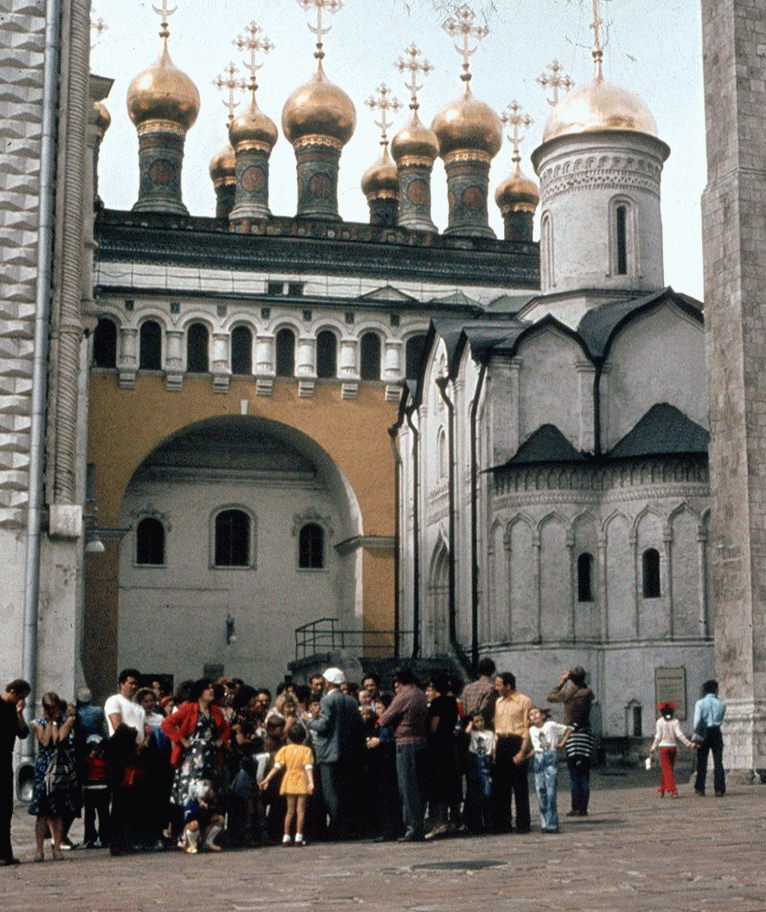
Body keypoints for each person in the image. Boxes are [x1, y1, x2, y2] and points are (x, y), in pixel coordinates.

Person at [306, 667, 365, 840]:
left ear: (329, 682)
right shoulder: (351, 701)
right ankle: (346, 827)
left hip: (329, 754)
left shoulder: (326, 701)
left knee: (331, 793)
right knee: (346, 791)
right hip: (348, 753)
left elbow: (323, 726)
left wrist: (308, 721)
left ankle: (336, 828)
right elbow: (357, 726)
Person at [161, 678, 231, 814]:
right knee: (189, 791)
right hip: (191, 757)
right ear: (200, 692)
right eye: (207, 688)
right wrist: (181, 739)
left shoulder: (216, 711)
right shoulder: (188, 709)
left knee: (209, 792)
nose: (211, 690)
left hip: (211, 758)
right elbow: (166, 724)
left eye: (212, 688)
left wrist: (222, 740)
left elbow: (227, 728)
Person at [378, 666, 428, 842]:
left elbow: (384, 719)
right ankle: (418, 825)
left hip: (406, 743)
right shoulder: (420, 694)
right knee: (418, 787)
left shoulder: (404, 695)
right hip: (421, 740)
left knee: (407, 787)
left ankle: (412, 828)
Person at [28, 692, 78, 861]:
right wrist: (50, 722)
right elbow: (46, 741)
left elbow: (59, 739)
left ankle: (57, 847)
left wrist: (60, 721)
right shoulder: (38, 723)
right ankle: (39, 849)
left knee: (59, 811)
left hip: (61, 770)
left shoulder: (67, 720)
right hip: (44, 770)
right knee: (42, 812)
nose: (51, 711)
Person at [547, 665, 595, 817]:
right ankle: (583, 807)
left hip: (571, 735)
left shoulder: (567, 693)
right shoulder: (588, 693)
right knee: (584, 774)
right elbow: (588, 691)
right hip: (585, 735)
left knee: (574, 774)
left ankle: (575, 807)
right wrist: (577, 680)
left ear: (571, 679)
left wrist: (562, 681)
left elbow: (551, 696)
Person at [259, 722, 314, 847]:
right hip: (301, 780)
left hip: (289, 780)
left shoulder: (284, 750)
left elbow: (276, 767)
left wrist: (266, 779)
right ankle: (299, 836)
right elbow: (308, 767)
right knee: (300, 811)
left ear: (289, 737)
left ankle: (286, 836)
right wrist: (311, 781)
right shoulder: (306, 751)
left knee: (289, 811)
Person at [492, 672, 532, 834]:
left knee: (520, 786)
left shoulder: (524, 701)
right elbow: (497, 727)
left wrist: (523, 751)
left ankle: (523, 823)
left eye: (499, 684)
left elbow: (527, 728)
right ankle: (502, 823)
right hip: (502, 742)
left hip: (517, 742)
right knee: (501, 786)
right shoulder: (498, 702)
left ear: (508, 686)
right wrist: (495, 750)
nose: (496, 688)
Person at [423, 672, 460, 840]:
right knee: (449, 784)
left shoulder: (438, 703)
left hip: (437, 747)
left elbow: (433, 727)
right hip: (449, 745)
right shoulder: (452, 702)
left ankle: (441, 822)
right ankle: (452, 820)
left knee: (439, 785)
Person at [1, 678, 30, 866]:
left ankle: (5, 853)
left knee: (5, 809)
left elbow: (23, 733)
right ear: (12, 691)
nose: (21, 700)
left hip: (5, 759)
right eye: (20, 697)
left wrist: (20, 713)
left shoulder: (13, 710)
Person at [527, 707, 570, 833]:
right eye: (530, 715)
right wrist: (527, 756)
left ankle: (552, 824)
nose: (533, 716)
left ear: (543, 715)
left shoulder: (550, 725)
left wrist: (562, 743)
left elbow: (568, 729)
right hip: (538, 759)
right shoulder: (531, 730)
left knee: (551, 792)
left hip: (550, 756)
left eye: (535, 713)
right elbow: (536, 747)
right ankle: (544, 823)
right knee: (541, 791)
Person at [649, 701, 695, 798]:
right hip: (672, 747)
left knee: (667, 769)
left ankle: (673, 790)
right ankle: (662, 788)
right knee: (668, 769)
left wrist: (653, 747)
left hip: (663, 747)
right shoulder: (675, 721)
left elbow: (658, 736)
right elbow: (679, 735)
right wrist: (689, 744)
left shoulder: (660, 722)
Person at [693, 679, 727, 797]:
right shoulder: (722, 704)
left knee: (702, 760)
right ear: (715, 690)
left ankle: (700, 787)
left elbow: (697, 721)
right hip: (716, 732)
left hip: (704, 731)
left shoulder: (700, 703)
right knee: (718, 761)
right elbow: (721, 719)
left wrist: (696, 733)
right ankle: (719, 788)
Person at [463, 711, 494, 834]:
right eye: (477, 721)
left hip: (485, 761)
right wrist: (470, 723)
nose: (480, 723)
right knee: (474, 794)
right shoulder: (473, 734)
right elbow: (466, 733)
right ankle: (476, 824)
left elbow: (492, 748)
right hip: (474, 760)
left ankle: (488, 822)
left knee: (487, 793)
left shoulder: (489, 733)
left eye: (481, 720)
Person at [178, 779, 225, 854]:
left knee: (220, 819)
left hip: (202, 827)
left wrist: (210, 813)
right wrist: (199, 808)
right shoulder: (191, 801)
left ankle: (208, 842)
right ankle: (191, 845)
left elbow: (213, 814)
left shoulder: (211, 801)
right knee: (194, 824)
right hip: (188, 829)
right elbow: (186, 817)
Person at [81, 735, 110, 848]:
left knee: (103, 815)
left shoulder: (104, 760)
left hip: (101, 787)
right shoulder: (87, 760)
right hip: (91, 788)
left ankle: (104, 837)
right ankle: (90, 837)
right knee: (90, 815)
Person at [460, 657, 496, 727]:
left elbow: (462, 708)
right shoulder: (491, 688)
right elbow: (485, 711)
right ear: (492, 671)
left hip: (467, 726)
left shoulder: (467, 688)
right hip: (482, 727)